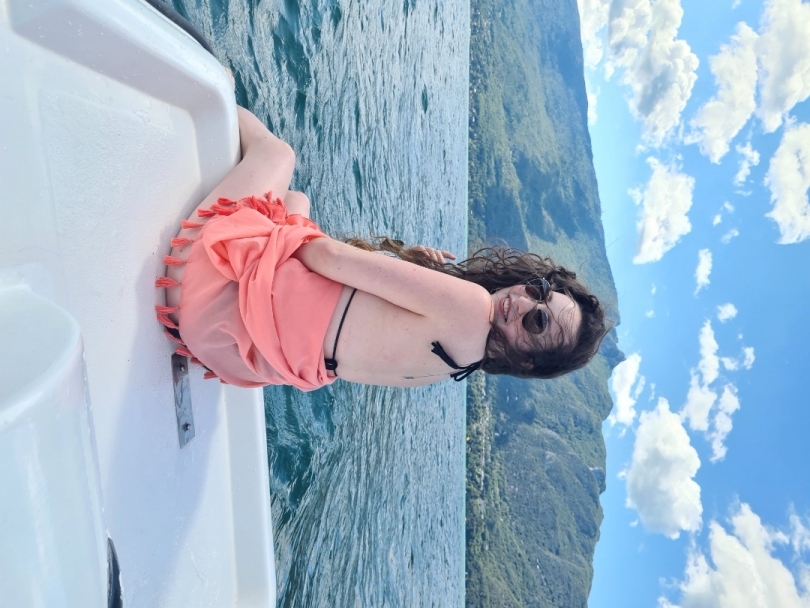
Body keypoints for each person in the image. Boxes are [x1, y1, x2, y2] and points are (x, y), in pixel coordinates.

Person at [156, 107, 608, 391]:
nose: (525, 302)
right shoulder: (455, 367)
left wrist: (288, 228)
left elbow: (325, 257)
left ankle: (208, 75)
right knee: (297, 201)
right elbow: (354, 328)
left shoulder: (474, 306)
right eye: (540, 290)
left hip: (205, 290)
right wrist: (411, 267)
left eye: (538, 321)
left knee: (279, 157)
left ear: (528, 359)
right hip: (217, 345)